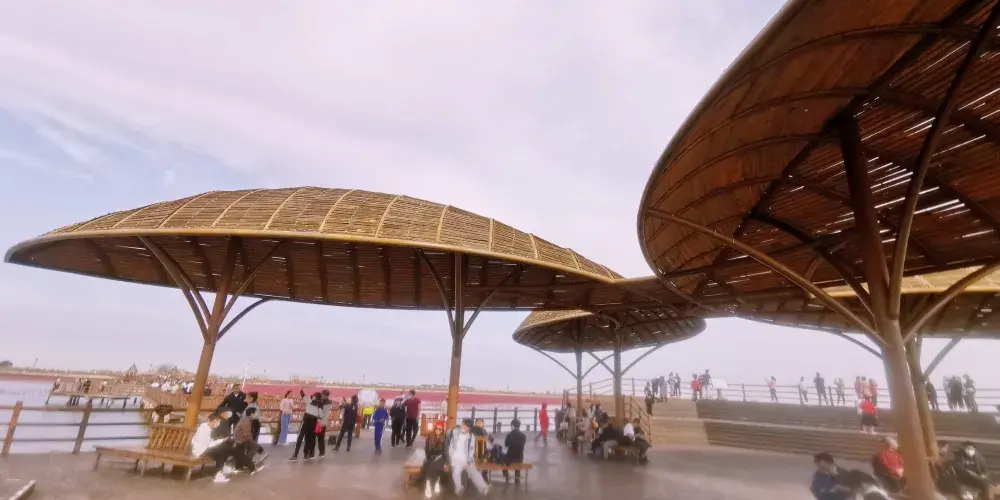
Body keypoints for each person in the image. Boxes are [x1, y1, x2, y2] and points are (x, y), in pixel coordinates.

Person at [811, 452, 889, 500]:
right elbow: (816, 491)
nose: (820, 469)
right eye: (819, 467)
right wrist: (829, 490)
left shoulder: (846, 474)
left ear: (829, 463)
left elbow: (853, 491)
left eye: (822, 467)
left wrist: (845, 490)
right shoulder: (819, 475)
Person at [446, 419, 490, 495]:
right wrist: (449, 460)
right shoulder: (454, 432)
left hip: (465, 458)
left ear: (469, 428)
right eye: (463, 425)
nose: (464, 428)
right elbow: (448, 437)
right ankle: (458, 488)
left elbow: (471, 451)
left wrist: (468, 461)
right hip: (454, 458)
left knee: (473, 470)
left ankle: (484, 487)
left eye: (466, 427)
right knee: (456, 471)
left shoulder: (471, 437)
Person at [192, 412, 237, 483]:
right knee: (220, 451)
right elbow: (208, 445)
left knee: (223, 448)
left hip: (200, 450)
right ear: (215, 420)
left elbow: (205, 442)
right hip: (201, 451)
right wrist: (222, 440)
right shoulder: (204, 429)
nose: (219, 423)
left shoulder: (206, 427)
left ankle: (222, 469)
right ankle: (219, 474)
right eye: (219, 421)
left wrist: (221, 440)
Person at [289, 390, 320, 461]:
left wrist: (301, 389)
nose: (312, 397)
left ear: (315, 397)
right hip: (313, 424)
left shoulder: (310, 401)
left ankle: (295, 455)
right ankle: (306, 455)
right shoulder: (320, 405)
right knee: (308, 439)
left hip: (306, 423)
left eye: (314, 396)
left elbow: (303, 395)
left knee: (300, 438)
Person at [420, 421, 447, 498]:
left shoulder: (445, 437)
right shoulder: (430, 435)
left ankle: (436, 483)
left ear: (442, 430)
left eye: (440, 429)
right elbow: (426, 448)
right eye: (436, 428)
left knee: (437, 466)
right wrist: (428, 457)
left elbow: (445, 450)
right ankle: (428, 486)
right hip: (430, 456)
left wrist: (445, 461)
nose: (437, 430)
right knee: (427, 465)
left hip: (440, 456)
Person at [233, 407, 260, 472]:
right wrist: (252, 442)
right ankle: (247, 461)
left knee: (251, 446)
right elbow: (246, 434)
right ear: (252, 414)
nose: (256, 414)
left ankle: (239, 466)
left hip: (239, 439)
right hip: (241, 440)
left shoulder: (246, 419)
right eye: (255, 413)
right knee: (255, 446)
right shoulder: (246, 421)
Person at [503, 419, 527, 483]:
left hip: (510, 458)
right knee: (519, 457)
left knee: (503, 460)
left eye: (511, 426)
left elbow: (506, 444)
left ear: (513, 426)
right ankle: (517, 477)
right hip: (519, 458)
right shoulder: (523, 435)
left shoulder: (509, 435)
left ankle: (506, 475)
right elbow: (522, 444)